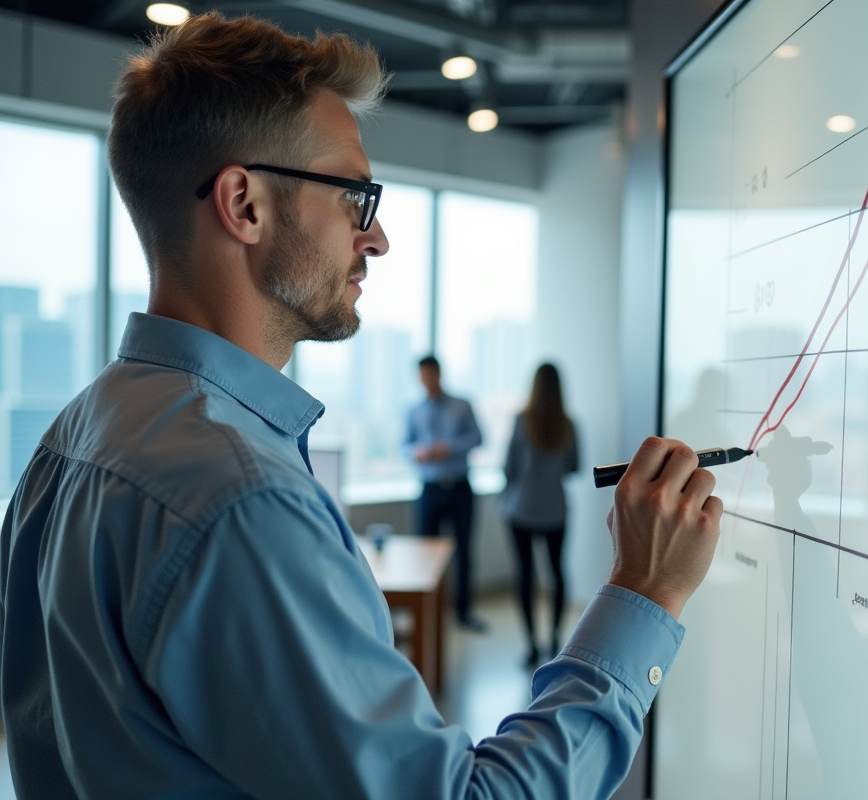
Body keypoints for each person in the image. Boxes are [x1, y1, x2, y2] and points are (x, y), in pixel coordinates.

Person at [0, 13, 723, 800]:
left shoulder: (71, 438)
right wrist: (645, 594)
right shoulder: (241, 500)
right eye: (355, 197)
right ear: (244, 205)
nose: (375, 240)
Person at [503, 363, 578, 666]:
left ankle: (532, 644)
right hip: (555, 509)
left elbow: (509, 466)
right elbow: (574, 466)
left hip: (521, 507)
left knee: (525, 575)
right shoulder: (569, 424)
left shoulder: (522, 420)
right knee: (557, 572)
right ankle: (557, 637)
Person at [404, 354, 486, 631]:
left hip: (460, 487)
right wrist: (417, 453)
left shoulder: (462, 405)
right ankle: (429, 611)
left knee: (464, 551)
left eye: (431, 374)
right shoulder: (414, 411)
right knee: (426, 553)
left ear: (439, 374)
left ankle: (463, 612)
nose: (427, 380)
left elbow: (477, 437)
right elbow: (403, 446)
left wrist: (448, 448)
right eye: (422, 376)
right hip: (430, 488)